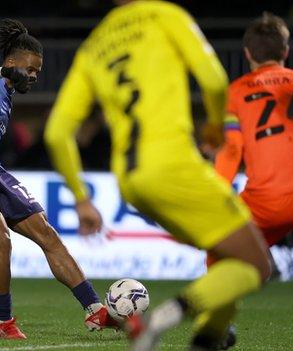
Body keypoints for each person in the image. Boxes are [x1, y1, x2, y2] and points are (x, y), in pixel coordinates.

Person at [44, 1, 272, 350]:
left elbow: (57, 133)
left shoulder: (93, 47)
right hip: (173, 163)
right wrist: (214, 126)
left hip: (131, 179)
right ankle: (161, 318)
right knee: (256, 263)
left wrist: (81, 198)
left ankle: (209, 339)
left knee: (228, 259)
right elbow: (213, 79)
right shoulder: (165, 15)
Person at [0, 19, 115, 340]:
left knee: (48, 234)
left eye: (38, 71)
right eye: (30, 69)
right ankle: (4, 323)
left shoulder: (7, 98)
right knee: (1, 240)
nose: (34, 75)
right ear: (12, 62)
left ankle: (94, 309)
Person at [213, 13, 293, 269]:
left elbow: (232, 151)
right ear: (286, 51)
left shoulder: (234, 94)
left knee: (219, 253)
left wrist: (215, 195)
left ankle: (215, 305)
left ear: (248, 53)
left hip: (266, 203)